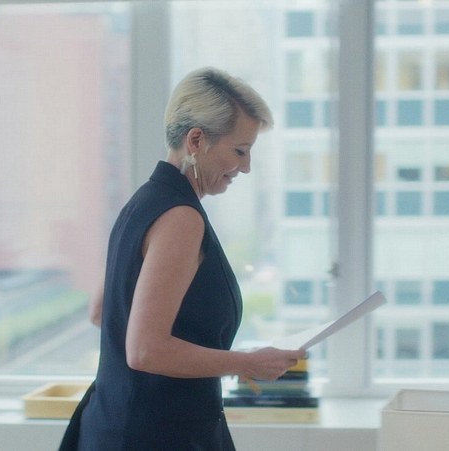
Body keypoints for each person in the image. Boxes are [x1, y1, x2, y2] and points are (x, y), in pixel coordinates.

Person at [59, 67, 306, 451]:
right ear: (196, 140)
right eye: (240, 151)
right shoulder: (181, 219)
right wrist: (246, 363)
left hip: (112, 423)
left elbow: (100, 311)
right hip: (156, 435)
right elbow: (145, 350)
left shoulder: (143, 201)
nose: (245, 167)